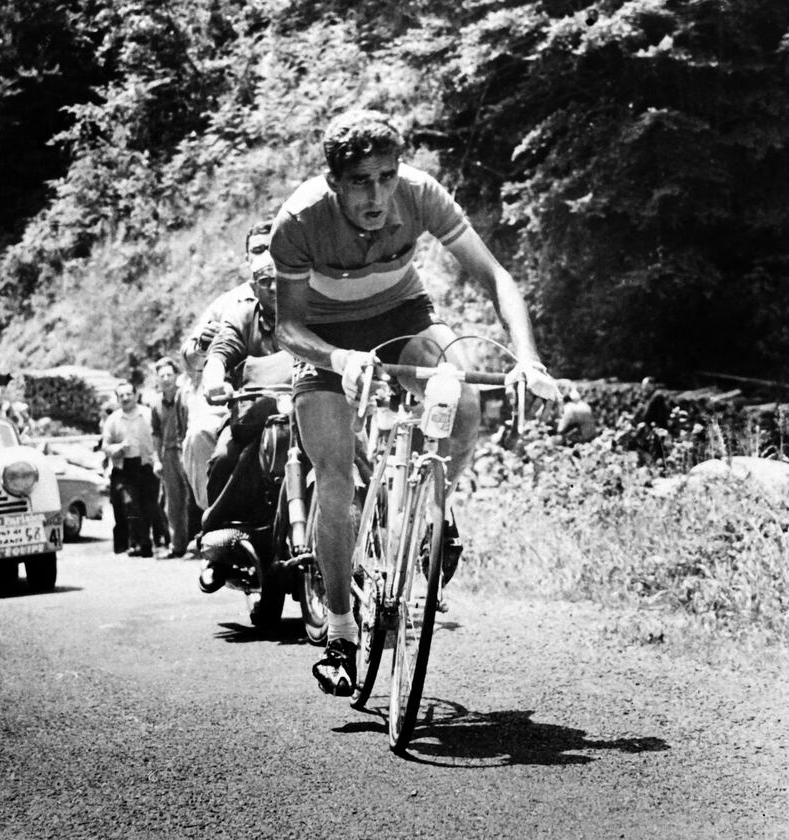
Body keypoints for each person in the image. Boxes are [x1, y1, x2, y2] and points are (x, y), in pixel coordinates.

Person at [270, 108, 557, 696]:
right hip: (325, 338)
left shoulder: (421, 194)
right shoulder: (299, 221)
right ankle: (343, 631)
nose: (377, 194)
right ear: (334, 182)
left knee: (465, 400)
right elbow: (287, 329)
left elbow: (497, 277)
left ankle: (426, 510)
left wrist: (528, 361)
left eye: (386, 176)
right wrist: (340, 360)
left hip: (403, 316)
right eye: (360, 182)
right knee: (333, 474)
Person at [179, 221, 274, 510]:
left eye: (272, 247)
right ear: (247, 259)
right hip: (238, 400)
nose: (265, 255)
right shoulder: (230, 304)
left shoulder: (307, 294)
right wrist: (203, 350)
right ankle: (215, 518)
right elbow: (193, 359)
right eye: (258, 250)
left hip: (295, 393)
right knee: (200, 436)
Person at [199, 246, 292, 515]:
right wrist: (214, 380)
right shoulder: (241, 317)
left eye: (281, 280)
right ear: (253, 287)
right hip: (254, 418)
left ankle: (374, 530)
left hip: (308, 413)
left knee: (355, 459)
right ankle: (220, 540)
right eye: (265, 282)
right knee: (223, 460)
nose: (274, 288)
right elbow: (220, 352)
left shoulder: (313, 314)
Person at [100, 381, 157, 557]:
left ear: (135, 395)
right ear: (117, 399)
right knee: (130, 505)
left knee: (148, 506)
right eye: (121, 395)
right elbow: (105, 446)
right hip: (124, 468)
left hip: (145, 466)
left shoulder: (147, 415)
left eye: (128, 394)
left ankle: (147, 543)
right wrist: (118, 448)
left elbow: (157, 438)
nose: (125, 398)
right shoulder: (113, 420)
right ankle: (137, 543)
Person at [150, 356, 190, 558]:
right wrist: (156, 460)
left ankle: (196, 545)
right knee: (172, 503)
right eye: (161, 375)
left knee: (192, 499)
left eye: (169, 374)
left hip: (186, 450)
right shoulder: (155, 404)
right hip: (168, 454)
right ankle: (177, 546)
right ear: (157, 379)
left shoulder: (185, 396)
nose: (166, 378)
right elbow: (155, 434)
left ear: (177, 376)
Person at [555, 379, 597, 444]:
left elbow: (564, 422)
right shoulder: (584, 405)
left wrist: (558, 433)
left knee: (564, 437)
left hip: (583, 435)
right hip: (592, 432)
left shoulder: (568, 408)